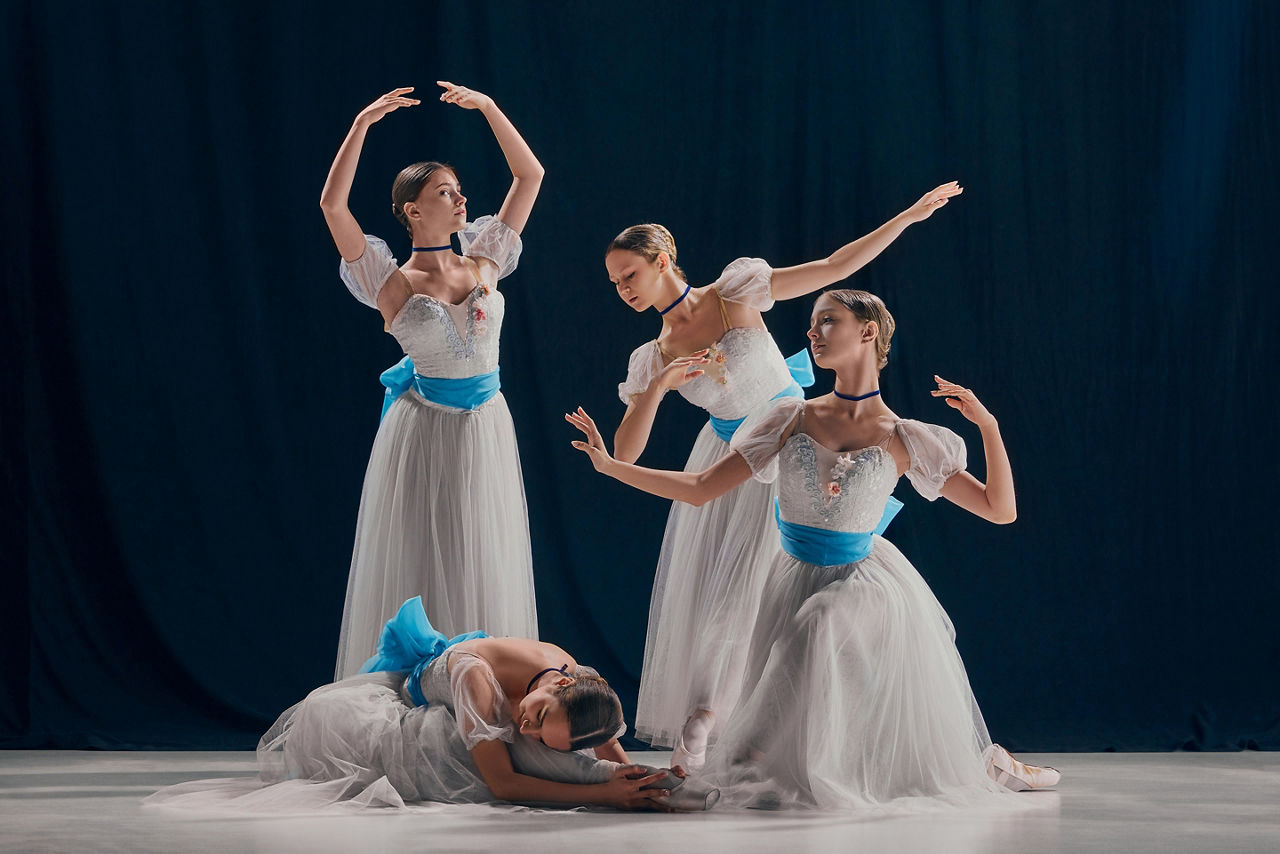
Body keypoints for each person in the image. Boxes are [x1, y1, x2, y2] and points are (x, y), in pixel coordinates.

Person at [567, 289, 1060, 809]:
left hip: (867, 585)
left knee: (820, 621)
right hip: (793, 577)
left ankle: (741, 762)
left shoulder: (906, 437)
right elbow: (699, 488)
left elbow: (999, 510)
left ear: (868, 331)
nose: (812, 332)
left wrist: (990, 426)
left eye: (828, 321)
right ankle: (988, 764)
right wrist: (612, 467)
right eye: (810, 323)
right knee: (813, 696)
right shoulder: (789, 418)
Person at [604, 182, 962, 767]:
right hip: (732, 463)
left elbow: (833, 265)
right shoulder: (653, 355)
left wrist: (910, 215)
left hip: (803, 447)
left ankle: (832, 728)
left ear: (662, 261)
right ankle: (709, 719)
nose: (622, 291)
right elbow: (627, 449)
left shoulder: (734, 293)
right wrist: (659, 389)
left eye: (629, 276)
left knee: (808, 593)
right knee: (731, 598)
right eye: (615, 283)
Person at [320, 83, 541, 679]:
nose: (461, 198)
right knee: (423, 550)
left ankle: (487, 686)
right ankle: (418, 686)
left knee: (480, 550)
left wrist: (491, 108)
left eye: (459, 189)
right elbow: (333, 208)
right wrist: (362, 123)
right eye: (445, 192)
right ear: (414, 210)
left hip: (488, 423)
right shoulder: (389, 281)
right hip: (423, 428)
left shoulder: (485, 259)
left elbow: (529, 176)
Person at [144, 597, 719, 812]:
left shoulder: (573, 680)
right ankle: (650, 796)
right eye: (539, 714)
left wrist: (623, 767)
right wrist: (600, 790)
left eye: (544, 727)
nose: (530, 722)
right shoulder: (480, 684)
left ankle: (660, 788)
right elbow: (504, 785)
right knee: (518, 760)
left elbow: (593, 729)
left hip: (473, 702)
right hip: (415, 700)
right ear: (557, 689)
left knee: (551, 754)